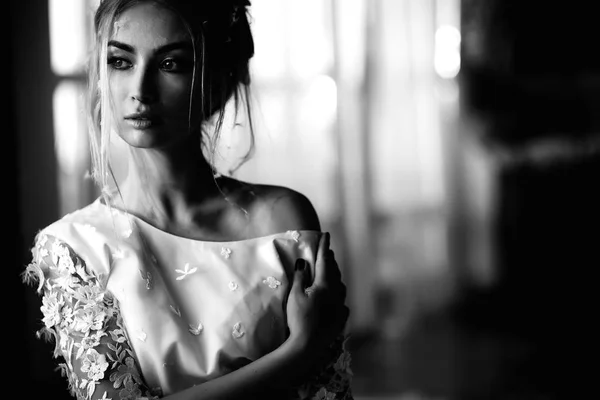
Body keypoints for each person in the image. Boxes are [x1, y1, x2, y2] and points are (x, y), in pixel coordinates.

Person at [22, 0, 353, 399]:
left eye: (170, 64)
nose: (140, 92)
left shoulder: (282, 219)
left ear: (218, 81)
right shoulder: (74, 247)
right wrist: (297, 353)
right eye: (120, 62)